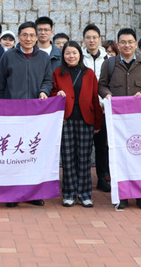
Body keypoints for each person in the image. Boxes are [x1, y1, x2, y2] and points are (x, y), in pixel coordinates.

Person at [98, 28, 141, 209]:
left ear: (135, 44)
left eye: (130, 42)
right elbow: (101, 86)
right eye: (123, 42)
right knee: (120, 157)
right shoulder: (109, 64)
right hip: (118, 122)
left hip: (139, 120)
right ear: (118, 44)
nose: (127, 45)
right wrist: (107, 94)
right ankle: (123, 195)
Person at [0, 21, 53, 208]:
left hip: (36, 115)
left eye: (32, 35)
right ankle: (11, 194)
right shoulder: (8, 56)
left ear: (37, 37)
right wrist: (3, 108)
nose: (28, 38)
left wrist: (44, 91)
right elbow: (0, 84)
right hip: (12, 114)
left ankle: (32, 194)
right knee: (13, 154)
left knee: (32, 155)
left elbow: (48, 80)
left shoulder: (43, 57)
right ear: (18, 36)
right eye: (25, 35)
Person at [51, 41, 103, 208]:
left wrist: (97, 123)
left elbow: (95, 98)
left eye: (74, 53)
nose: (71, 56)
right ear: (63, 55)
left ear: (80, 54)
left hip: (85, 120)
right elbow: (52, 92)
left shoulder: (89, 73)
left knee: (84, 159)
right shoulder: (57, 73)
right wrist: (56, 93)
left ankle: (85, 194)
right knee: (68, 159)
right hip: (65, 120)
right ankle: (68, 194)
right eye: (67, 53)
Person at [81, 24, 110, 193]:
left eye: (94, 37)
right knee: (83, 148)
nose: (91, 40)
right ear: (83, 40)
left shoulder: (108, 60)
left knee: (102, 147)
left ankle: (103, 178)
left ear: (100, 39)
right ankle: (82, 179)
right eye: (88, 37)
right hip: (84, 110)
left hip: (104, 110)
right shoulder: (79, 58)